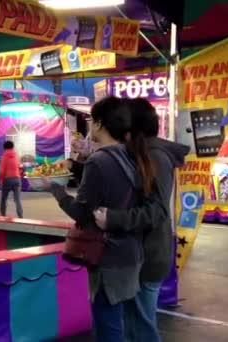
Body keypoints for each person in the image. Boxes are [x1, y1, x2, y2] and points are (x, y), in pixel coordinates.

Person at [47, 96, 153, 341]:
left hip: (108, 257)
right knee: (123, 324)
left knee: (108, 328)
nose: (90, 127)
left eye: (92, 121)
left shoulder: (100, 161)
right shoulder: (131, 156)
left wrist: (55, 189)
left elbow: (82, 214)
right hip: (131, 252)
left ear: (101, 124)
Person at [94, 98, 189, 342]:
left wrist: (113, 219)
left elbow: (157, 211)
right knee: (134, 326)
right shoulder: (141, 154)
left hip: (149, 256)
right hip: (139, 254)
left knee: (140, 329)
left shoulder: (155, 157)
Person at [0, 141, 23, 218]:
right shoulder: (16, 155)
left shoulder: (4, 156)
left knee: (3, 199)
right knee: (18, 199)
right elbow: (20, 167)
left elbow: (2, 171)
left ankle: (3, 215)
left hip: (7, 179)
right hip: (17, 179)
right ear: (13, 147)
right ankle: (20, 216)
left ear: (4, 147)